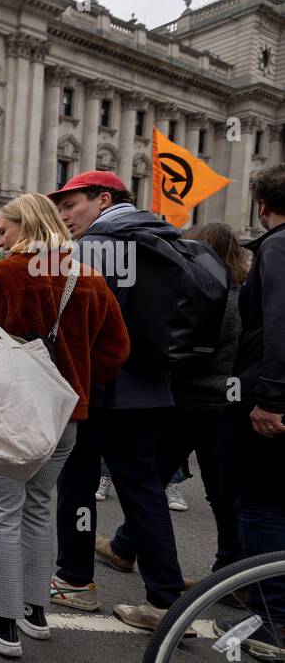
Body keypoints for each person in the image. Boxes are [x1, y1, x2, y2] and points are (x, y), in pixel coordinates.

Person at [0, 194, 129, 658]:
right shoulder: (90, 278)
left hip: (11, 414)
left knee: (2, 512)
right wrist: (73, 379)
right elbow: (117, 350)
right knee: (39, 508)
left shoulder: (3, 276)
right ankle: (35, 613)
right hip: (64, 416)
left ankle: (2, 622)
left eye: (3, 230)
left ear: (27, 227)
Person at [49, 171, 190, 630]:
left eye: (72, 205)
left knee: (77, 486)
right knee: (144, 492)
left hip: (95, 388)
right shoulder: (167, 241)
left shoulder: (90, 250)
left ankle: (75, 581)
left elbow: (68, 325)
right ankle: (166, 599)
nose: (65, 215)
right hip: (150, 389)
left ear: (103, 199)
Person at [96, 221, 249, 580]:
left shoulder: (202, 291)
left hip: (185, 398)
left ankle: (125, 548)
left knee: (148, 482)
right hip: (227, 401)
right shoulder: (246, 292)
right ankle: (231, 571)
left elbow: (178, 346)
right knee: (221, 493)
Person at [214, 164, 285, 659]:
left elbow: (279, 324)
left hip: (266, 394)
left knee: (259, 502)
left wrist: (271, 398)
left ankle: (273, 620)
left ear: (262, 206)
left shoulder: (277, 246)